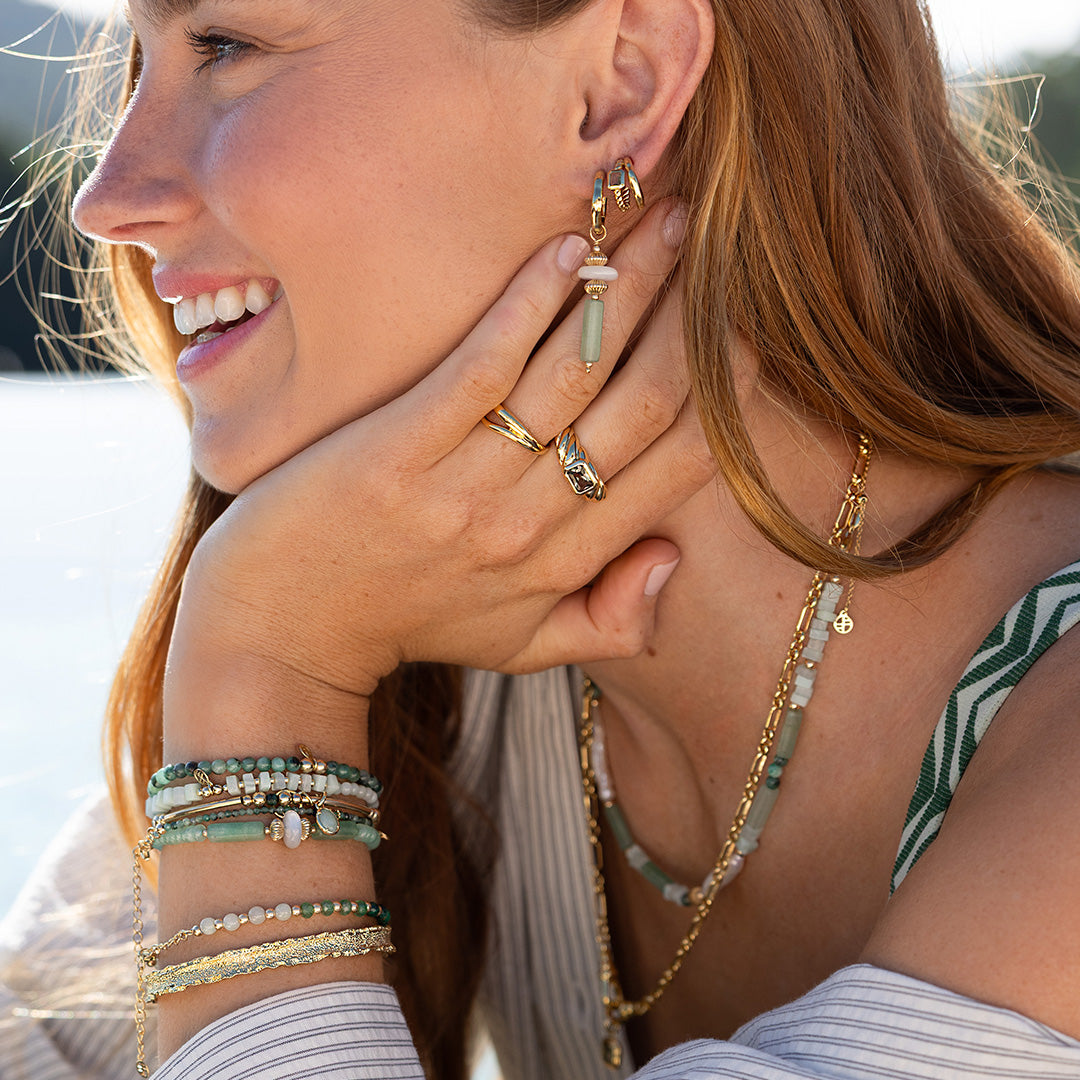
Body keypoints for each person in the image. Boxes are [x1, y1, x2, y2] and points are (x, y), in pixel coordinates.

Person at [4, 0, 1080, 1076]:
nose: (106, 200)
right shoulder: (415, 586)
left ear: (624, 82)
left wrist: (266, 676)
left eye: (225, 46)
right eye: (135, 68)